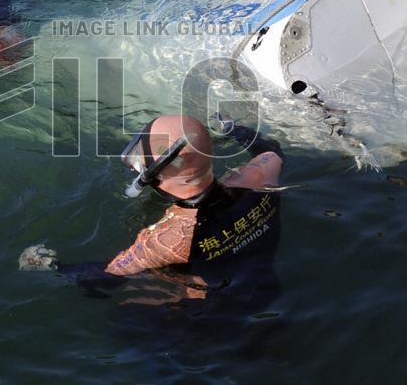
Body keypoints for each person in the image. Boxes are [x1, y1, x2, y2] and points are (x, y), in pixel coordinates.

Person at [20, 114, 284, 303]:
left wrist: (53, 268)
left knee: (127, 314)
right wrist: (237, 130)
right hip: (266, 283)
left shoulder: (167, 239)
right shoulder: (257, 180)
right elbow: (272, 151)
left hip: (219, 307)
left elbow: (109, 274)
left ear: (155, 174)